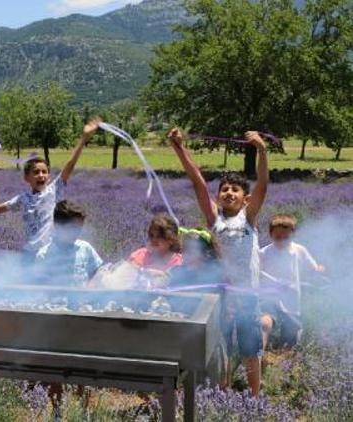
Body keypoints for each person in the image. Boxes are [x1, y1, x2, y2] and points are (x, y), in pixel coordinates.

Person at [169, 127, 268, 396]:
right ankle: (222, 393)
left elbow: (263, 184)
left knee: (250, 349)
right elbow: (198, 182)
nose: (229, 193)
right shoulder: (215, 220)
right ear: (218, 196)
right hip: (219, 294)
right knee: (220, 345)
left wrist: (261, 149)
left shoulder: (249, 218)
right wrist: (179, 147)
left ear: (245, 199)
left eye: (235, 190)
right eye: (224, 189)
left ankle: (255, 396)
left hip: (246, 294)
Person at [0, 118, 102, 260]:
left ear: (48, 176)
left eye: (44, 172)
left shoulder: (54, 190)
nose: (40, 175)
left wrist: (84, 138)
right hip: (29, 253)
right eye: (35, 172)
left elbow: (70, 164)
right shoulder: (22, 198)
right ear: (26, 178)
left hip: (52, 252)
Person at [259, 214, 325, 349]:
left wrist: (317, 269)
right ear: (271, 235)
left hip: (291, 295)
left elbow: (311, 264)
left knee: (291, 328)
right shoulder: (265, 252)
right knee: (267, 319)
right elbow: (257, 271)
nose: (282, 241)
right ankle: (261, 349)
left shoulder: (299, 250)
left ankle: (285, 352)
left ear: (293, 235)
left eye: (286, 238)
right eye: (278, 237)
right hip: (269, 295)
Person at [35, 200, 105, 287]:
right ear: (57, 226)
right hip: (54, 300)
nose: (77, 232)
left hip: (83, 300)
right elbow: (39, 287)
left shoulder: (85, 248)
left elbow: (98, 271)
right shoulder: (43, 255)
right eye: (72, 228)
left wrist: (93, 283)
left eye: (79, 228)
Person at [127, 214, 183, 289]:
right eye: (152, 235)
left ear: (171, 240)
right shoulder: (140, 255)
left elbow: (174, 281)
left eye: (160, 236)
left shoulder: (178, 261)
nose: (154, 240)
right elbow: (127, 274)